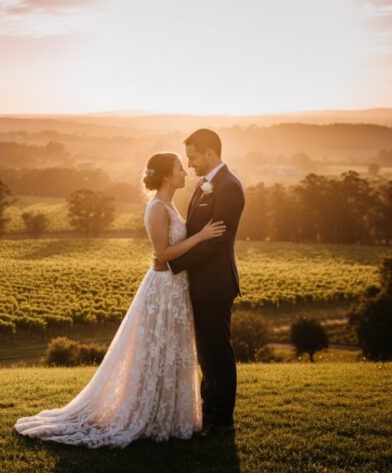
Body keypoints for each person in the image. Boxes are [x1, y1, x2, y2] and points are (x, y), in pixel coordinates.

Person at [14, 152, 226, 448]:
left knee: (170, 348)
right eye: (180, 168)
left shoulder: (169, 204)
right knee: (155, 348)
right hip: (163, 289)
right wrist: (201, 237)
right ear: (167, 177)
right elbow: (163, 253)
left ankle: (169, 416)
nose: (185, 171)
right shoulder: (157, 208)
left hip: (176, 287)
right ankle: (146, 413)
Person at [154, 128, 245, 438]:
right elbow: (196, 234)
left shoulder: (229, 187)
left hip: (215, 285)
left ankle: (223, 421)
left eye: (192, 157)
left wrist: (173, 263)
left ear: (210, 153)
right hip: (199, 284)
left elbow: (216, 243)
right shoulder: (205, 184)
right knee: (206, 354)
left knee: (218, 354)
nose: (189, 163)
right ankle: (208, 413)